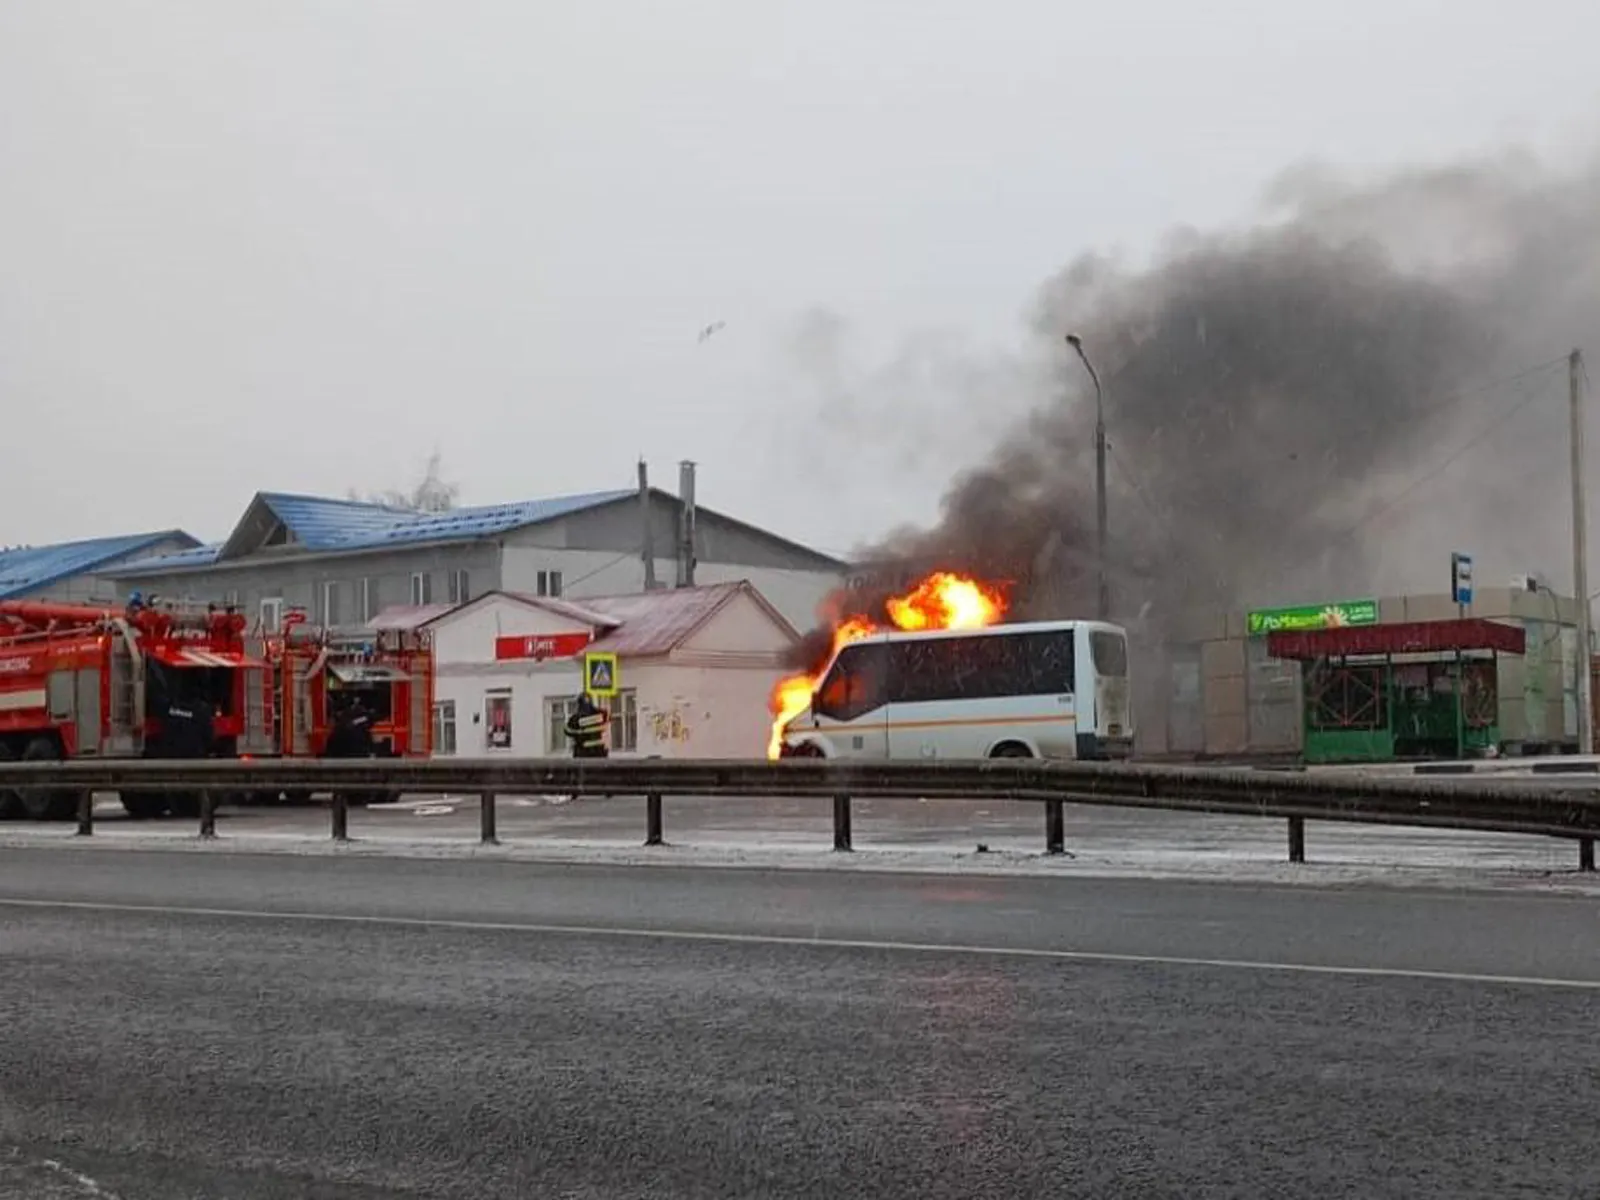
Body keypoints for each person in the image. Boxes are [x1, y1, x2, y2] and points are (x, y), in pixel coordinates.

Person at [563, 692, 610, 758]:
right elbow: (607, 718)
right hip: (599, 751)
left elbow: (567, 730)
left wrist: (578, 732)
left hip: (583, 752)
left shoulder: (576, 718)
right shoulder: (600, 714)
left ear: (579, 704)